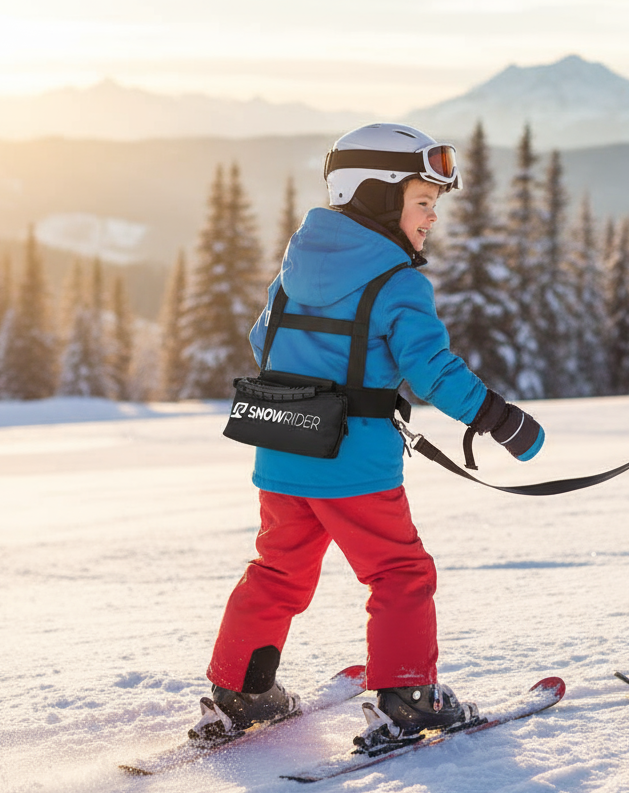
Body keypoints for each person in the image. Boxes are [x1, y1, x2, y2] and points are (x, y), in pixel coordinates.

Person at [192, 122, 545, 745]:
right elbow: (432, 370)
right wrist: (499, 418)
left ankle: (239, 692)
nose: (432, 217)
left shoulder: (293, 270)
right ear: (378, 197)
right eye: (423, 202)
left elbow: (261, 340)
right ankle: (408, 695)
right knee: (400, 573)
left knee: (276, 572)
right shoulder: (397, 281)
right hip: (354, 464)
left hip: (283, 452)